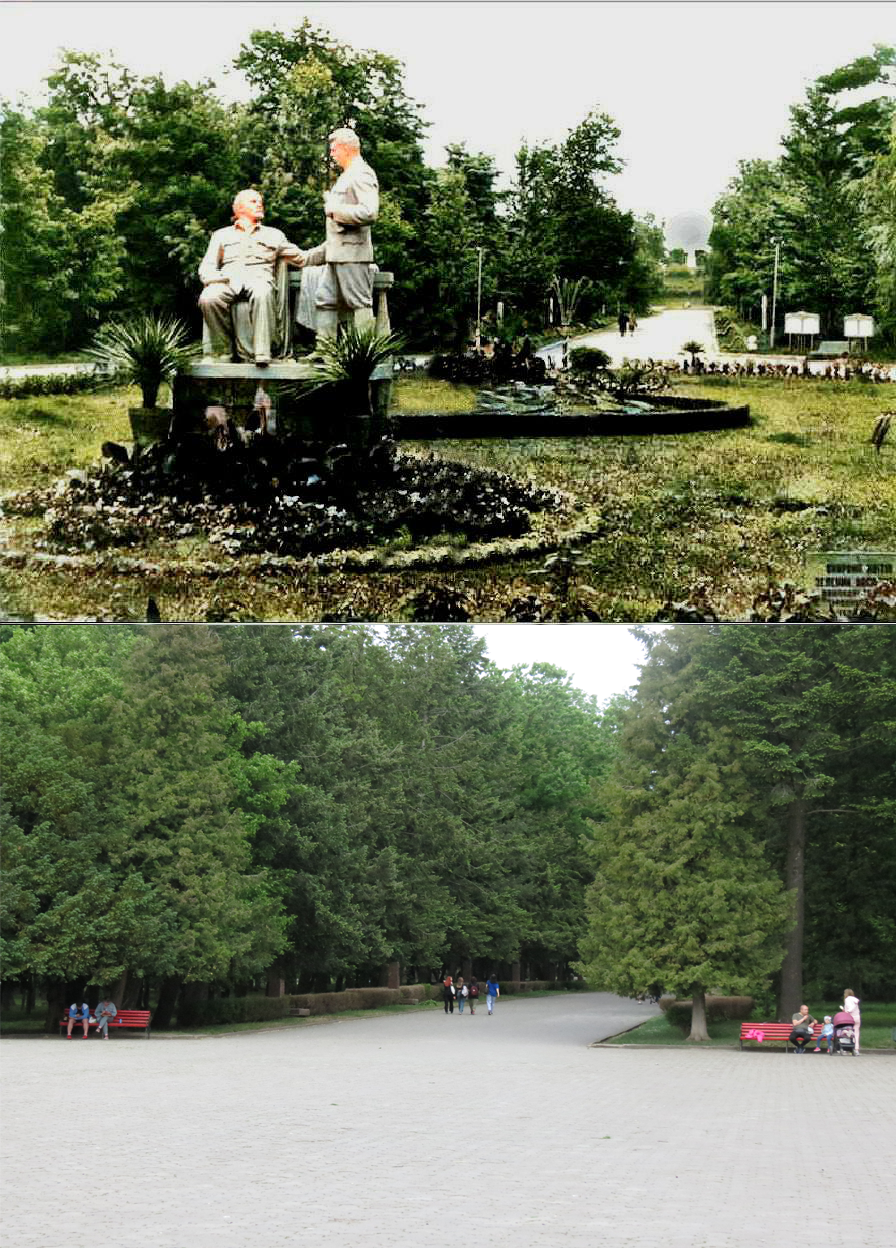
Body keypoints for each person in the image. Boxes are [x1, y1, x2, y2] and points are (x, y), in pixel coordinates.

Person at [198, 188, 304, 366]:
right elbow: (207, 267)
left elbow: (302, 257)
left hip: (259, 278)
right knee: (208, 297)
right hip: (228, 281)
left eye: (260, 201)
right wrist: (216, 279)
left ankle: (263, 353)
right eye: (253, 201)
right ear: (238, 209)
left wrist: (328, 253)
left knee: (262, 291)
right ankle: (223, 351)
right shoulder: (221, 235)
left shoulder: (274, 235)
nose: (259, 204)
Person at [299, 127, 379, 349]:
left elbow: (370, 212)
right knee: (324, 300)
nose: (332, 154)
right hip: (336, 254)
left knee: (359, 302)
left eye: (334, 150)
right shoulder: (348, 175)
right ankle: (325, 351)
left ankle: (364, 355)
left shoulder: (362, 173)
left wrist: (334, 210)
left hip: (353, 253)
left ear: (345, 148)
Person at [843, 988, 861, 1054]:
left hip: (850, 1018)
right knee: (856, 1033)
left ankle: (847, 1048)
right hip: (857, 1017)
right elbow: (855, 1005)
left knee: (847, 1031)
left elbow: (850, 1007)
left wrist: (848, 1011)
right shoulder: (854, 999)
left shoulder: (847, 999)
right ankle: (856, 1049)